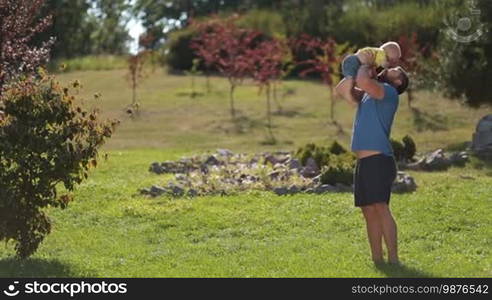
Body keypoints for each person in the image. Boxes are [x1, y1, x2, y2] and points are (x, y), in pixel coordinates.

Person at [335, 53, 409, 264]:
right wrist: (355, 66)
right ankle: (377, 259)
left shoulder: (388, 93)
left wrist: (367, 64)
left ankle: (394, 259)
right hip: (365, 162)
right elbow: (342, 89)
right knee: (368, 210)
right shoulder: (369, 94)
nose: (390, 68)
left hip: (379, 160)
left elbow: (362, 81)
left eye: (395, 71)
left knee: (380, 207)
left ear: (398, 82)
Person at [336, 41, 401, 103]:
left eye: (393, 70)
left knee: (352, 79)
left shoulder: (377, 56)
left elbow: (370, 73)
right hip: (354, 62)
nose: (392, 63)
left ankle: (343, 89)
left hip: (353, 61)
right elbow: (384, 64)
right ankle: (347, 92)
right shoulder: (381, 54)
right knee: (351, 80)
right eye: (393, 59)